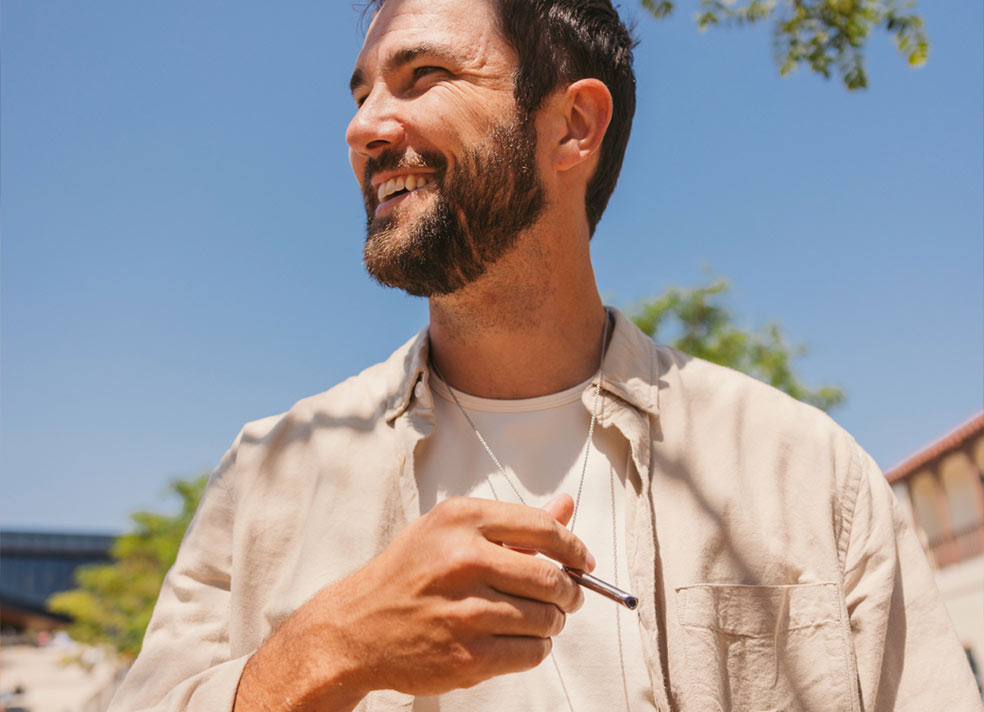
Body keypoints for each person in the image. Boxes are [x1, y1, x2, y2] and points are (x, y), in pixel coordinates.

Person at [109, 1, 983, 710]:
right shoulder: (269, 473)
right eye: (362, 92)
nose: (364, 126)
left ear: (573, 125)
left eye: (423, 77)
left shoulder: (806, 471)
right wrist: (330, 648)